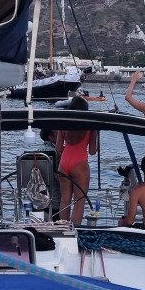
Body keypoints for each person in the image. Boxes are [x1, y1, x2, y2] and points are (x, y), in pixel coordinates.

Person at [54, 95, 98, 225]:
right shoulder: (89, 126)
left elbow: (57, 148)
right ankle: (75, 231)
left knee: (65, 199)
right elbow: (92, 151)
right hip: (80, 163)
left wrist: (68, 152)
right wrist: (96, 133)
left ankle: (63, 228)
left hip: (64, 162)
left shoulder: (64, 124)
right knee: (79, 201)